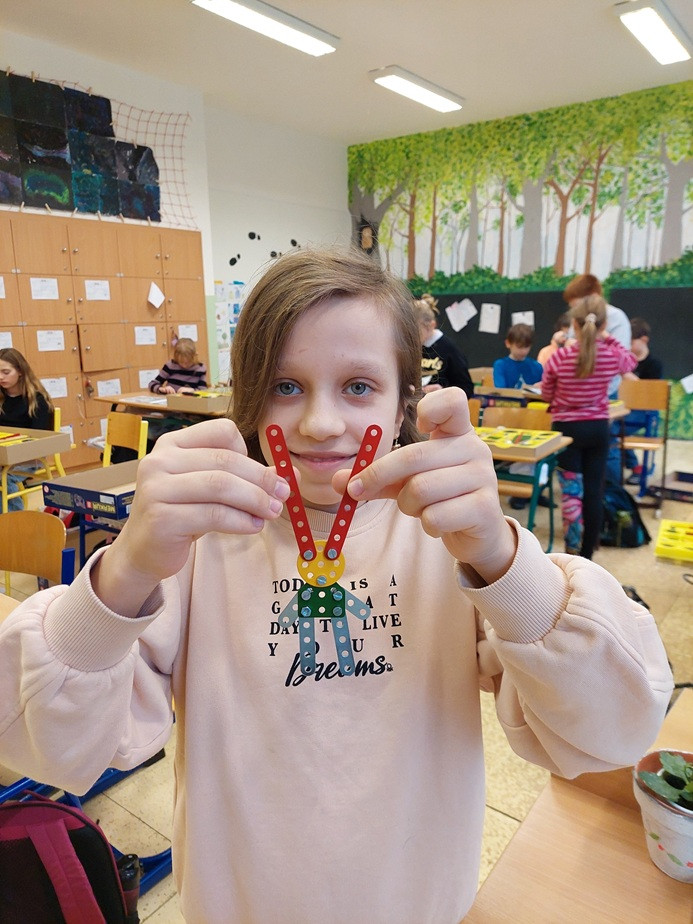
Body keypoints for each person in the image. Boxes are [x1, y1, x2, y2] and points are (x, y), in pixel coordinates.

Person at [0, 248, 672, 924]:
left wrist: (501, 559)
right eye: (285, 385)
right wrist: (127, 570)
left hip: (417, 900)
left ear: (404, 399)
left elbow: (611, 732)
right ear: (249, 395)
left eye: (357, 386)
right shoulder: (198, 543)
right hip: (242, 905)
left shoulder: (450, 539)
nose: (320, 423)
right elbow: (50, 749)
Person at [540, 294, 638, 558]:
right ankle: (587, 555)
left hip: (567, 431)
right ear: (603, 325)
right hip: (598, 429)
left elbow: (546, 393)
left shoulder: (559, 357)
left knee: (572, 493)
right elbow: (631, 362)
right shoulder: (609, 354)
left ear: (574, 324)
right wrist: (608, 338)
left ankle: (572, 552)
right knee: (594, 491)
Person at [0, 347, 54, 510]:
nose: (1, 377)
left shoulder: (37, 400)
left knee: (3, 478)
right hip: (3, 455)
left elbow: (37, 441)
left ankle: (15, 520)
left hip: (29, 457)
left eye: (6, 372)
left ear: (20, 371)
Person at [624, 317, 664, 483]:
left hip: (645, 412)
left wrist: (629, 377)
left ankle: (636, 467)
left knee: (614, 429)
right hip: (625, 408)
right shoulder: (625, 361)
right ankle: (632, 466)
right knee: (609, 428)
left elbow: (652, 396)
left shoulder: (654, 365)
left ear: (644, 340)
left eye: (631, 342)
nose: (628, 346)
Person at [414, 294, 474, 398]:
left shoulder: (449, 349)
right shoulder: (409, 348)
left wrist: (442, 391)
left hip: (441, 405)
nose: (412, 337)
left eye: (416, 332)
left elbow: (466, 388)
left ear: (431, 325)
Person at [492, 323, 543, 388]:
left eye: (526, 347)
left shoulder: (537, 367)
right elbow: (501, 391)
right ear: (508, 343)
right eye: (519, 347)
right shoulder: (500, 365)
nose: (523, 351)